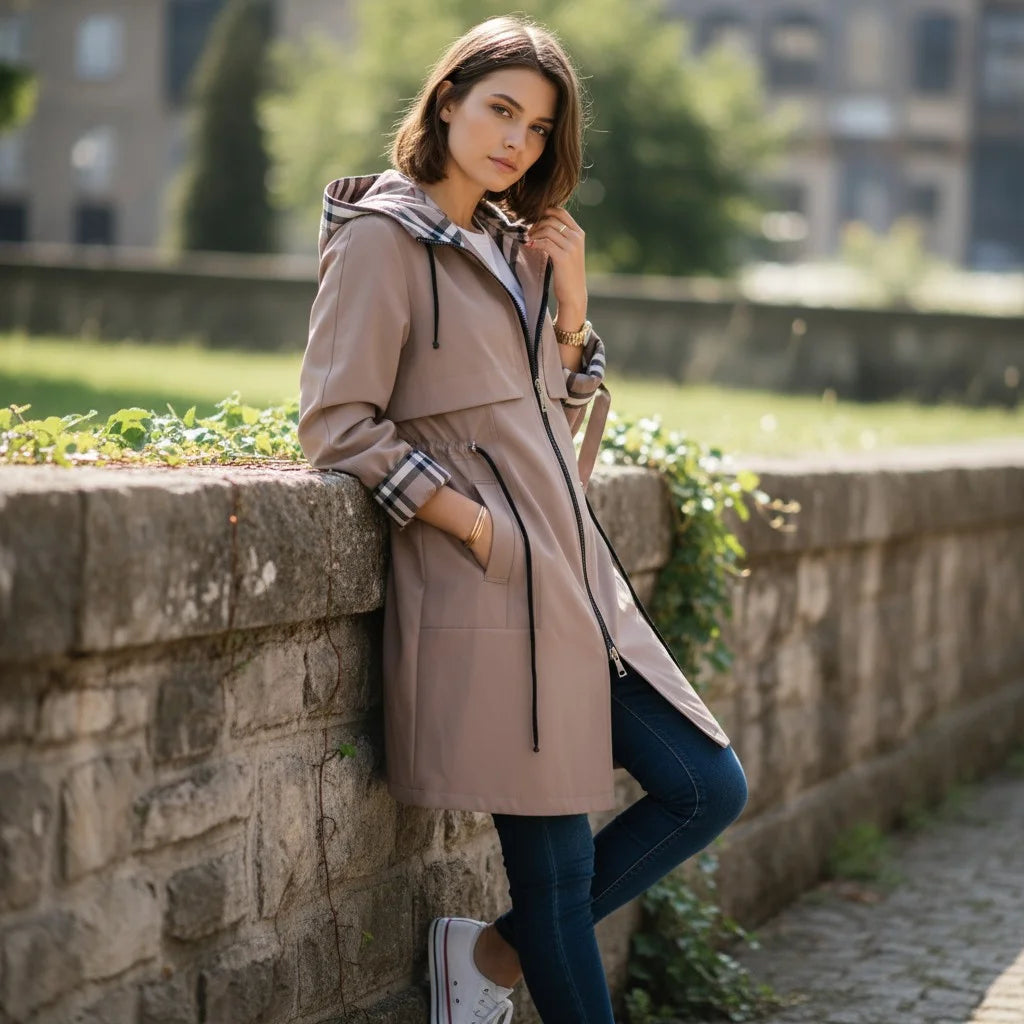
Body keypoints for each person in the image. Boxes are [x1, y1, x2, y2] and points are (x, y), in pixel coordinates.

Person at [297, 15, 748, 1024]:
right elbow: (336, 424)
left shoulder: (511, 245)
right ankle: (494, 957)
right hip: (490, 588)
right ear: (446, 99)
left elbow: (552, 410)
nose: (517, 141)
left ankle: (485, 958)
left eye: (539, 128)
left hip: (574, 580)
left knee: (707, 786)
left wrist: (574, 310)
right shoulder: (382, 240)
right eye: (501, 109)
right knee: (553, 882)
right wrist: (470, 526)